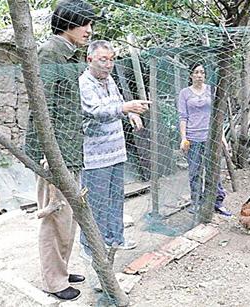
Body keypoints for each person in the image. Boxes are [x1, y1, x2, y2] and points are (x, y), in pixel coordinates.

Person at [24, 0, 95, 301]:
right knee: (54, 218)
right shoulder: (50, 52)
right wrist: (43, 155)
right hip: (54, 155)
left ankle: (61, 269)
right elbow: (41, 108)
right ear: (67, 23)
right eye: (85, 24)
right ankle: (53, 281)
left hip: (68, 150)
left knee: (67, 217)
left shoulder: (67, 55)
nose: (90, 31)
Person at [79, 40, 150, 257]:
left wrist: (131, 114)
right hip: (95, 156)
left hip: (116, 151)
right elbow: (96, 110)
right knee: (95, 204)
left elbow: (118, 103)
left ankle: (116, 239)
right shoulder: (84, 83)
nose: (108, 65)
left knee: (116, 198)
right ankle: (91, 247)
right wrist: (125, 107)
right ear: (89, 59)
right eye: (103, 59)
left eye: (111, 60)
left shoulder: (109, 80)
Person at [177, 63, 232, 216]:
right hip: (193, 138)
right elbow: (183, 117)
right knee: (195, 172)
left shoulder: (211, 91)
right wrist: (183, 138)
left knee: (213, 170)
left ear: (205, 75)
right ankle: (196, 202)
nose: (199, 75)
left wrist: (221, 137)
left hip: (211, 137)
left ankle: (217, 202)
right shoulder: (184, 93)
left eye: (202, 72)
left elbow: (217, 115)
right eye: (196, 72)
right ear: (191, 75)